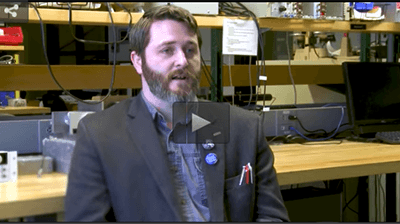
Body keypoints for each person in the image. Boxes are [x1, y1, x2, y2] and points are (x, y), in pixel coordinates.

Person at [64, 5, 289, 222]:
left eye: (190, 50)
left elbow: (273, 216)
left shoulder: (244, 129)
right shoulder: (100, 136)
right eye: (167, 50)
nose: (182, 61)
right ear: (138, 61)